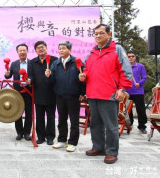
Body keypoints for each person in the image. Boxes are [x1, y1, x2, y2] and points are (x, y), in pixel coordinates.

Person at [79, 24, 132, 164]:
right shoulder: (90, 53)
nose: (98, 36)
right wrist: (83, 75)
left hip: (109, 94)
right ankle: (98, 147)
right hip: (92, 94)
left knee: (111, 125)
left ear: (109, 34)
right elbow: (87, 71)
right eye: (96, 33)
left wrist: (122, 89)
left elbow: (126, 72)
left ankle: (112, 152)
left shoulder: (117, 50)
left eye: (101, 33)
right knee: (95, 124)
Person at [45, 40, 86, 152]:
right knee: (61, 119)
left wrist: (82, 93)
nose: (61, 50)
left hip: (73, 96)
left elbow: (83, 79)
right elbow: (52, 81)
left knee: (74, 120)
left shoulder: (77, 62)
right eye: (60, 48)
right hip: (60, 95)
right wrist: (48, 76)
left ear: (70, 49)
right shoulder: (55, 64)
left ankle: (72, 142)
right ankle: (62, 140)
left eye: (63, 48)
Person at [28, 41, 57, 145]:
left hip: (51, 93)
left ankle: (50, 137)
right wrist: (30, 80)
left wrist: (50, 76)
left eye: (42, 47)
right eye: (38, 48)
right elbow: (31, 75)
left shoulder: (54, 60)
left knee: (51, 117)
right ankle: (40, 137)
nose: (40, 49)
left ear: (46, 48)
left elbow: (57, 76)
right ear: (35, 51)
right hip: (38, 93)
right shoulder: (32, 62)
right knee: (39, 117)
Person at [5, 44, 32, 141]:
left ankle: (27, 133)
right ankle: (19, 132)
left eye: (24, 50)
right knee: (17, 112)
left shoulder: (32, 63)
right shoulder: (14, 64)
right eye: (20, 50)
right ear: (17, 52)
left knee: (29, 113)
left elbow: (34, 76)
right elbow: (8, 76)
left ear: (27, 51)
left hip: (29, 91)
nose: (22, 52)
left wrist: (30, 80)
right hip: (17, 91)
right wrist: (7, 74)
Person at [126, 51, 147, 133]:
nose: (131, 58)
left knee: (140, 109)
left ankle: (142, 126)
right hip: (127, 91)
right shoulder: (124, 67)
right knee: (128, 110)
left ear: (135, 57)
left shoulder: (140, 66)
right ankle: (129, 124)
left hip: (138, 91)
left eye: (132, 56)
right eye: (129, 56)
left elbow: (144, 77)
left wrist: (139, 83)